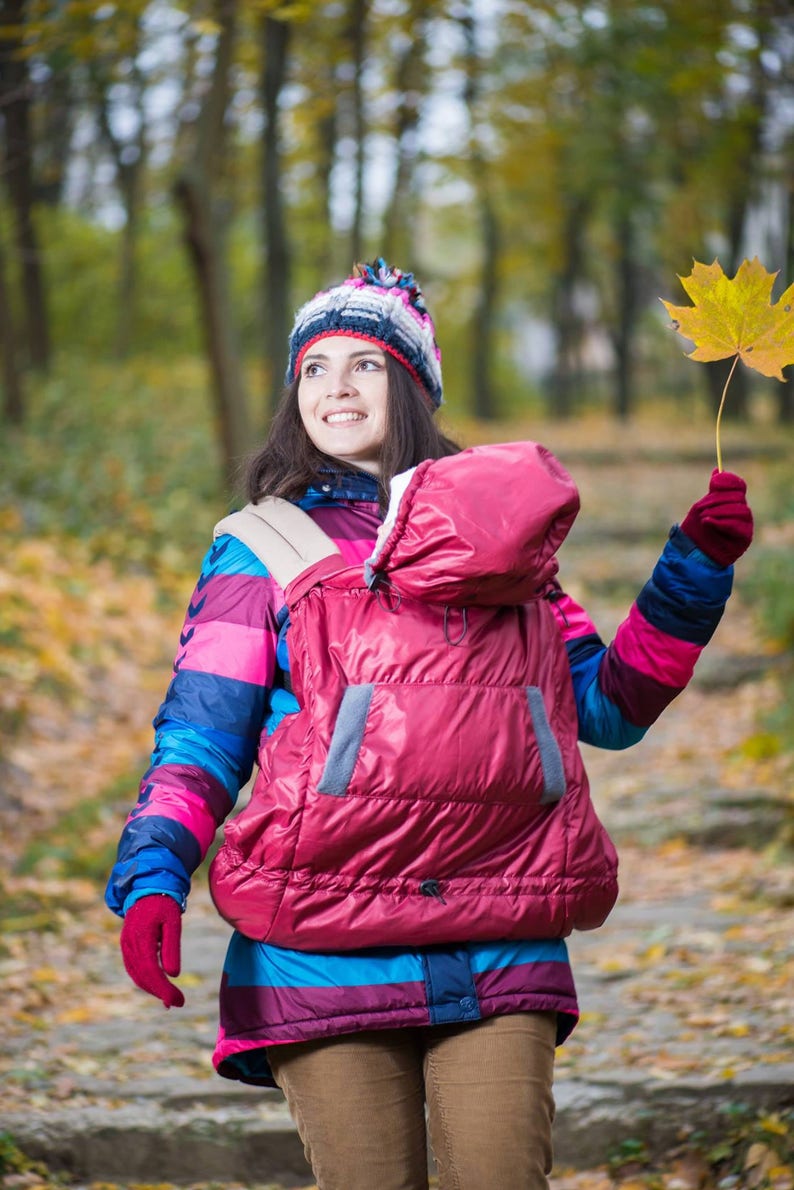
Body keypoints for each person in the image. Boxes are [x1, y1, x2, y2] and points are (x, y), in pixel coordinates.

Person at [106, 259, 753, 1190]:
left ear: (411, 384)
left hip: (503, 922)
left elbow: (605, 707)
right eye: (314, 367)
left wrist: (693, 571)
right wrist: (154, 876)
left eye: (365, 364)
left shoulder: (509, 546)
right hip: (319, 935)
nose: (335, 387)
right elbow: (202, 735)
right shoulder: (262, 544)